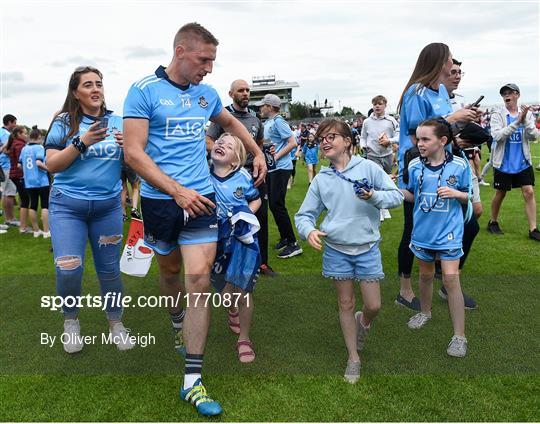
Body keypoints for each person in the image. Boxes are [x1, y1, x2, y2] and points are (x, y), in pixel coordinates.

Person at [123, 23, 266, 417]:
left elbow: (233, 123)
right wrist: (175, 191)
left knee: (199, 279)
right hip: (160, 202)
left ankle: (192, 382)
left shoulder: (206, 95)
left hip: (200, 200)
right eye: (204, 60)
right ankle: (175, 318)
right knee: (170, 273)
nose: (209, 68)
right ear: (181, 51)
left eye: (213, 61)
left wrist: (256, 151)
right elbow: (134, 154)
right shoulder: (143, 91)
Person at [295, 119, 403, 383]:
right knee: (345, 303)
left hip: (367, 248)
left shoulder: (369, 167)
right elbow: (304, 215)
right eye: (322, 138)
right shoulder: (322, 179)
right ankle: (353, 357)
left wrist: (374, 196)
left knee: (373, 305)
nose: (325, 141)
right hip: (336, 249)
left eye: (332, 136)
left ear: (348, 141)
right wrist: (308, 230)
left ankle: (363, 323)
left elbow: (397, 196)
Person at [44, 65, 134, 353]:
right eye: (88, 85)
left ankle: (116, 324)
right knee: (69, 268)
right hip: (67, 206)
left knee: (109, 270)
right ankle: (71, 322)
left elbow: (135, 167)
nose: (96, 89)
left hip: (107, 207)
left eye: (99, 84)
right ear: (75, 92)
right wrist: (81, 142)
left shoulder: (119, 122)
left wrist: (128, 149)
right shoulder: (63, 122)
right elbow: (52, 164)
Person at [395, 42, 479, 311]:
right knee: (413, 229)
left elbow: (442, 130)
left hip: (445, 166)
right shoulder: (415, 92)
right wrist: (453, 116)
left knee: (469, 225)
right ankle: (405, 290)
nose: (452, 64)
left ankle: (448, 281)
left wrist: (460, 131)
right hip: (419, 169)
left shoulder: (441, 90)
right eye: (449, 59)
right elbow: (417, 134)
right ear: (439, 61)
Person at [401, 118, 471, 358]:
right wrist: (389, 190)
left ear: (442, 141)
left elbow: (469, 198)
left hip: (448, 234)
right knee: (426, 275)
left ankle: (459, 336)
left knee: (451, 281)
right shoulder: (414, 166)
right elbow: (413, 196)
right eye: (418, 139)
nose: (419, 143)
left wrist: (457, 193)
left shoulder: (460, 166)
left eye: (425, 139)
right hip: (423, 233)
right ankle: (425, 312)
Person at [206, 79, 276, 277]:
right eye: (241, 90)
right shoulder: (222, 117)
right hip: (227, 175)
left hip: (253, 175)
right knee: (225, 217)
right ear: (231, 94)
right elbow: (208, 140)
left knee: (258, 216)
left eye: (247, 90)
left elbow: (259, 143)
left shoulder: (255, 119)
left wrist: (257, 157)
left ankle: (260, 263)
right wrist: (230, 155)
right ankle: (222, 260)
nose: (245, 93)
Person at [209, 133, 261, 363]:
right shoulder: (201, 174)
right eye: (220, 141)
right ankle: (231, 310)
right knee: (225, 295)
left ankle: (245, 338)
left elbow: (256, 199)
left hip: (243, 242)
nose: (221, 144)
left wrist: (246, 216)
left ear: (235, 160)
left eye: (229, 146)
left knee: (244, 292)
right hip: (214, 241)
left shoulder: (242, 176)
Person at [487, 83, 540, 241]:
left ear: (517, 95)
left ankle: (533, 229)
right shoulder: (498, 114)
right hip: (504, 162)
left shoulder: (527, 114)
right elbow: (497, 136)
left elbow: (534, 136)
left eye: (510, 92)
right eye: (504, 93)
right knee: (501, 193)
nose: (506, 95)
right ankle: (493, 221)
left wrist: (525, 121)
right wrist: (517, 122)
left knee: (529, 192)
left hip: (523, 161)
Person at [256, 93, 302, 259]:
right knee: (275, 204)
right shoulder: (269, 122)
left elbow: (292, 143)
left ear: (270, 107)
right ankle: (284, 237)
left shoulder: (279, 122)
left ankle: (293, 243)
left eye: (263, 105)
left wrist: (275, 157)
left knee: (277, 205)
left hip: (281, 168)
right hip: (273, 169)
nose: (260, 108)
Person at [360, 95, 399, 221]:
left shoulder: (391, 120)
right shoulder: (367, 122)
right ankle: (380, 209)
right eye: (375, 104)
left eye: (380, 104)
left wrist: (390, 141)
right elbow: (363, 137)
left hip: (387, 154)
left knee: (388, 180)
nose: (377, 106)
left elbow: (399, 135)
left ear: (385, 105)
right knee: (375, 181)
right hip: (372, 155)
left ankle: (386, 205)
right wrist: (363, 146)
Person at [19, 126, 50, 238]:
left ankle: (36, 231)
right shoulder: (40, 147)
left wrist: (27, 172)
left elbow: (19, 165)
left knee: (33, 204)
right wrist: (50, 169)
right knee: (45, 205)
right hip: (41, 181)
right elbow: (38, 163)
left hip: (29, 182)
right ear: (39, 137)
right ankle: (46, 231)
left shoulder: (24, 148)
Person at [5, 126, 29, 233]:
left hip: (15, 175)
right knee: (25, 200)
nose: (27, 135)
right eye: (25, 133)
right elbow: (21, 162)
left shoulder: (15, 143)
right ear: (19, 134)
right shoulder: (19, 145)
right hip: (18, 175)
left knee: (25, 199)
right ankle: (23, 228)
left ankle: (23, 226)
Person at [0, 114, 19, 227]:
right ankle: (10, 219)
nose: (15, 125)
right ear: (9, 122)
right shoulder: (7, 135)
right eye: (15, 123)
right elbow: (7, 150)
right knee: (10, 193)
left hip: (2, 166)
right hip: (7, 166)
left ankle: (9, 218)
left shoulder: (1, 132)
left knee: (6, 193)